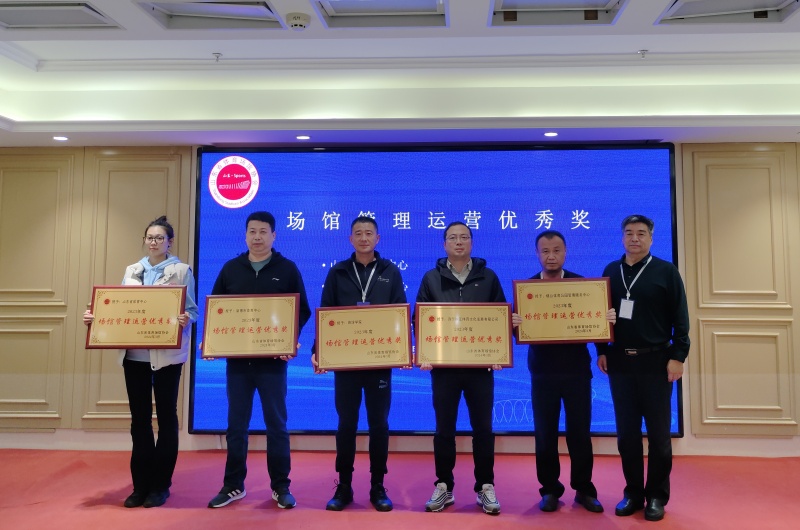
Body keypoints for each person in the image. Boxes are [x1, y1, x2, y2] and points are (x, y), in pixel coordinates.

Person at [83, 216, 198, 509]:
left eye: (160, 238)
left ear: (170, 242)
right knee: (140, 420)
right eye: (150, 237)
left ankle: (161, 485)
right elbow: (121, 308)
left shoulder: (181, 271)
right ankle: (140, 485)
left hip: (167, 357)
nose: (154, 242)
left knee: (167, 418)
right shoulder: (132, 270)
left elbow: (193, 311)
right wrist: (96, 318)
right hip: (134, 356)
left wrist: (185, 319)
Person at [206, 211, 311, 510]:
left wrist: (289, 339)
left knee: (276, 425)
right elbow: (217, 309)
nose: (257, 237)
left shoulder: (287, 269)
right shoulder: (231, 269)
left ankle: (281, 486)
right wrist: (213, 339)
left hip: (272, 362)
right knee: (236, 425)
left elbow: (301, 310)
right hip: (238, 363)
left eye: (263, 231)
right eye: (252, 231)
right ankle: (233, 485)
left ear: (274, 235)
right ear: (245, 235)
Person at [511, 230, 614, 514]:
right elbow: (518, 331)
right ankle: (550, 490)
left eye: (556, 250)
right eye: (545, 251)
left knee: (579, 433)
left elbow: (596, 323)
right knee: (545, 434)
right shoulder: (527, 289)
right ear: (537, 254)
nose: (551, 256)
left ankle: (584, 488)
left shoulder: (582, 286)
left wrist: (603, 348)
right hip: (542, 373)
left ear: (565, 252)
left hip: (577, 371)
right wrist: (513, 324)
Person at [596, 214, 690, 522]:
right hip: (620, 362)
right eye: (629, 233)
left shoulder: (665, 271)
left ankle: (657, 496)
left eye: (640, 233)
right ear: (622, 237)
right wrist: (601, 350)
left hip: (656, 362)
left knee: (659, 436)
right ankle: (633, 493)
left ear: (651, 238)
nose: (634, 238)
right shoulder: (611, 271)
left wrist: (678, 356)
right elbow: (599, 315)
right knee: (627, 435)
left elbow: (680, 318)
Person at [312, 216, 406, 512]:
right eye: (358, 233)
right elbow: (326, 313)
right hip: (346, 362)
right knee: (346, 424)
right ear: (350, 239)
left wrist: (404, 350)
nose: (364, 238)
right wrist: (318, 350)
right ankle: (344, 485)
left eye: (369, 233)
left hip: (379, 362)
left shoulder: (391, 272)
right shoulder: (338, 272)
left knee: (379, 425)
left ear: (378, 238)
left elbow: (400, 313)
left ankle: (378, 485)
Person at [415, 221, 506, 515]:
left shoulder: (488, 277)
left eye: (464, 237)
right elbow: (420, 319)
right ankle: (444, 485)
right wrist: (425, 353)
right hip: (444, 368)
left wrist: (498, 352)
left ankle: (485, 486)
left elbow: (500, 317)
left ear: (471, 242)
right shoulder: (431, 278)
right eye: (452, 237)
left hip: (480, 367)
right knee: (444, 430)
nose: (458, 242)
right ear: (444, 244)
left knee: (483, 429)